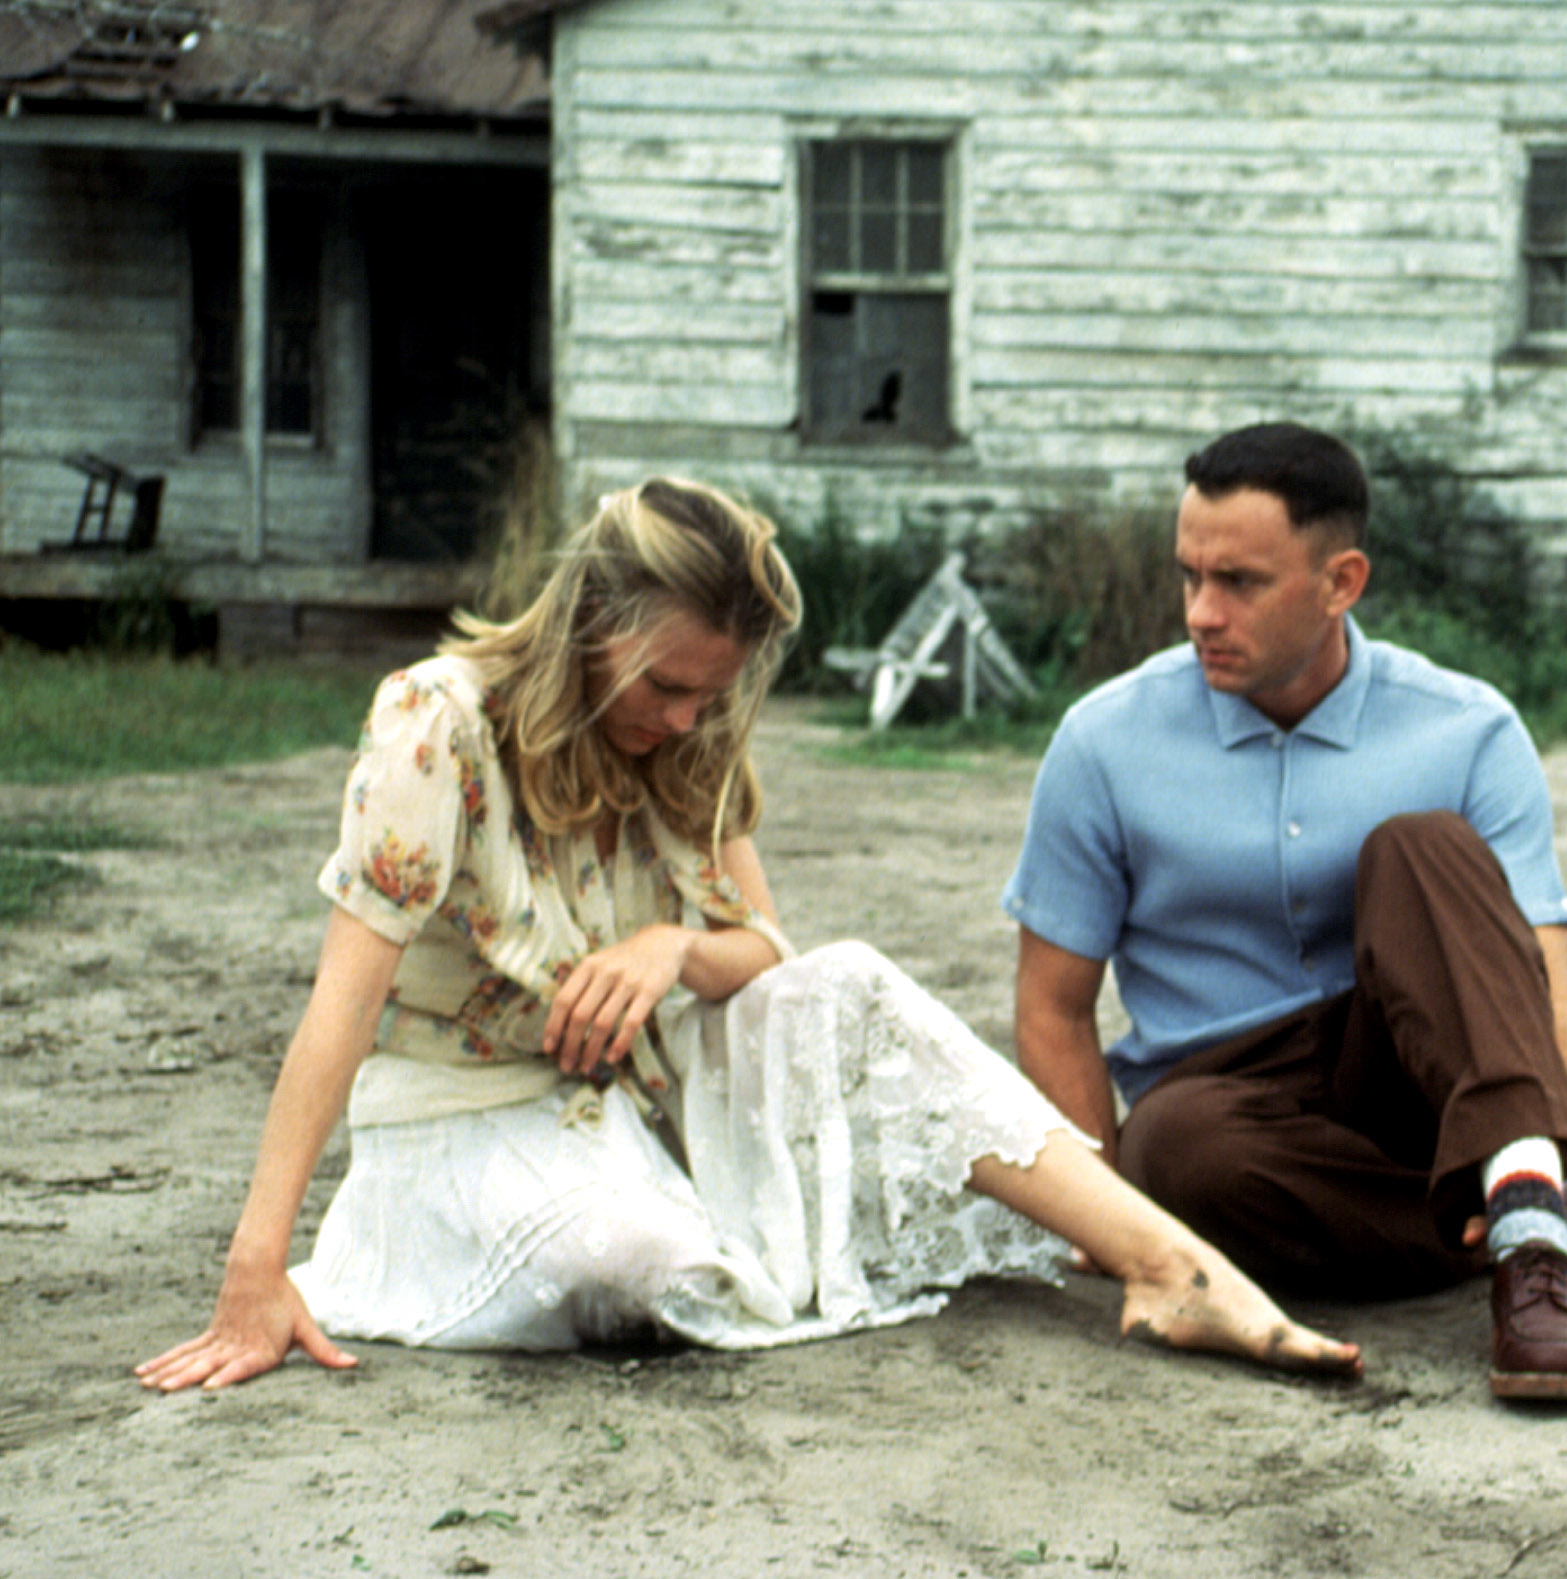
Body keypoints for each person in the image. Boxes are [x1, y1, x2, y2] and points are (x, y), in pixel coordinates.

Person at [137, 478, 1360, 1393]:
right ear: (588, 624)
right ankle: (685, 1218)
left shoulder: (695, 723)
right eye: (663, 686)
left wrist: (668, 949)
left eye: (709, 693)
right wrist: (257, 1266)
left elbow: (764, 949)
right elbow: (340, 1008)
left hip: (635, 1085)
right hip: (464, 1116)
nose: (684, 717)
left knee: (853, 980)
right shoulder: (434, 724)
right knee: (650, 1262)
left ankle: (1170, 1268)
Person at [1004, 422, 1567, 1403]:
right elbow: (1054, 1005)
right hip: (1235, 1114)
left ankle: (1531, 1237)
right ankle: (1545, 1206)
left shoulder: (1466, 726)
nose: (1201, 612)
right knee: (1167, 1151)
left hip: (1419, 1075)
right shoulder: (1104, 741)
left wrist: (1546, 1121)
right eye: (1189, 575)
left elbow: (1537, 975)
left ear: (1341, 581)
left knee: (1422, 846)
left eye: (1240, 581)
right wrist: (1111, 1227)